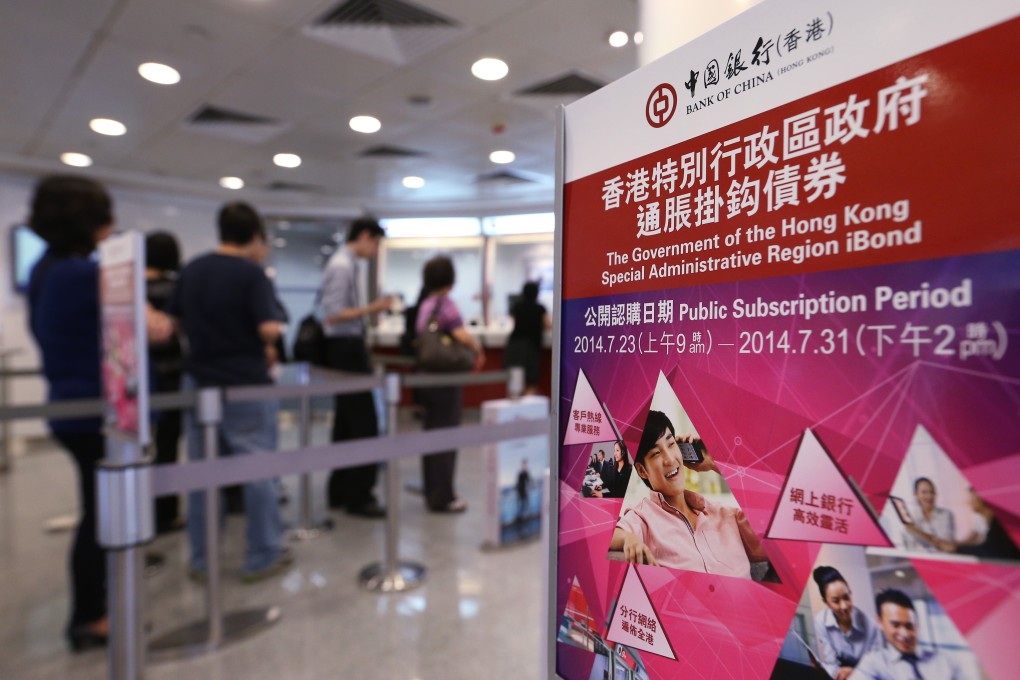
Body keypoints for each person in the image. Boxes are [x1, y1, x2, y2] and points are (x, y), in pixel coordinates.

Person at [27, 175, 172, 651]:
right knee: (102, 517)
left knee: (97, 511)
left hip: (72, 406)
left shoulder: (45, 271)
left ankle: (97, 607)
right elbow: (154, 329)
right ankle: (91, 617)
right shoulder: (81, 274)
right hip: (100, 413)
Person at [167, 201, 290, 583]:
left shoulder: (192, 270)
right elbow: (269, 328)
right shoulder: (251, 275)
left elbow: (173, 324)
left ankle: (203, 559)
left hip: (199, 383)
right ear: (254, 236)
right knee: (257, 472)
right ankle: (263, 554)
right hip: (244, 383)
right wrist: (273, 332)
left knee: (205, 475)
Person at [609, 410, 766, 578]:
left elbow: (779, 527)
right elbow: (609, 535)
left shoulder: (727, 515)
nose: (669, 459)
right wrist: (628, 539)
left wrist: (715, 463)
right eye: (656, 453)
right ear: (642, 470)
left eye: (671, 444)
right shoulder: (643, 517)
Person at [320, 218, 393, 518]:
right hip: (344, 350)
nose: (375, 251)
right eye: (375, 243)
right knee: (363, 423)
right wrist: (372, 309)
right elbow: (334, 314)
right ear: (364, 236)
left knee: (346, 424)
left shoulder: (346, 263)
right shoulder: (342, 265)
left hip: (345, 349)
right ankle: (359, 495)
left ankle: (340, 491)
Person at [415, 255, 485, 512]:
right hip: (444, 381)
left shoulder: (426, 305)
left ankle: (432, 491)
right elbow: (460, 334)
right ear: (450, 279)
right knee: (447, 435)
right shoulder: (446, 304)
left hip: (425, 379)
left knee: (432, 435)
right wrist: (477, 349)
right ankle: (444, 497)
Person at [145, 231, 184, 533]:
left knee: (132, 450)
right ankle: (165, 513)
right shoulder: (175, 289)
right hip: (171, 376)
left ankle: (136, 511)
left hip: (134, 380)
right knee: (167, 447)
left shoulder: (128, 288)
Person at [852, 589, 966, 679]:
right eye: (896, 625)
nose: (905, 634)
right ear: (880, 622)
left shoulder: (946, 661)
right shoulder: (874, 664)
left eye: (909, 626)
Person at [811, 566, 883, 679]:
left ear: (850, 592)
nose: (844, 606)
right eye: (836, 601)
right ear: (826, 602)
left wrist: (855, 672)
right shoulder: (821, 621)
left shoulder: (871, 625)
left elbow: (879, 667)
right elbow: (831, 662)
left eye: (846, 597)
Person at [503, 281, 550, 395]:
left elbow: (513, 321)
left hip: (515, 345)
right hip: (531, 347)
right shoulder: (540, 308)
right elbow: (547, 324)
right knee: (531, 382)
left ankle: (512, 410)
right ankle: (528, 410)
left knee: (514, 382)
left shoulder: (517, 307)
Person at [950, 488, 1020, 560]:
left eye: (972, 497)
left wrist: (957, 549)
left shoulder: (1000, 523)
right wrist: (954, 546)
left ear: (982, 499)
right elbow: (972, 539)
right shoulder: (980, 518)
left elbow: (992, 552)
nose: (969, 502)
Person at [902, 477, 956, 552]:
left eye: (932, 492)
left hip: (944, 559)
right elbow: (910, 547)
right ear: (916, 494)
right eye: (924, 492)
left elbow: (945, 545)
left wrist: (917, 531)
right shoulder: (912, 517)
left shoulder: (945, 514)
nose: (929, 496)